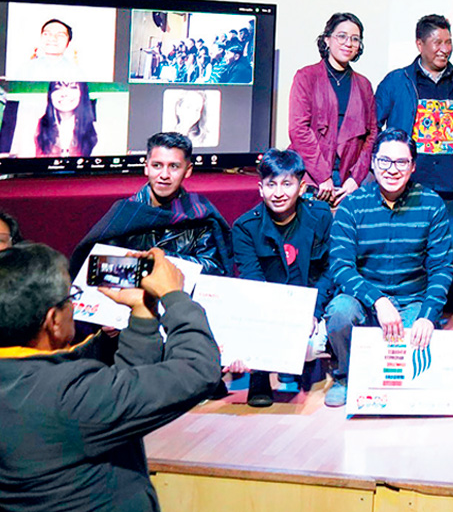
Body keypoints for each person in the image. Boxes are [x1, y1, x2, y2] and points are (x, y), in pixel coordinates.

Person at [0, 245, 221, 512]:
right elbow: (197, 370)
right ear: (53, 321)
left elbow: (123, 397)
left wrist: (143, 311)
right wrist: (174, 296)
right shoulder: (65, 396)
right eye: (71, 298)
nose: (74, 307)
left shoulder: (29, 384)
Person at [323, 129, 453, 408]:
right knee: (339, 313)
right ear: (372, 163)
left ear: (413, 166)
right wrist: (379, 300)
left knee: (407, 376)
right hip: (364, 299)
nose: (392, 170)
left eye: (401, 162)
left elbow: (441, 267)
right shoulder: (352, 206)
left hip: (411, 302)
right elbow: (341, 267)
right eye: (384, 161)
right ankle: (345, 376)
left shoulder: (432, 204)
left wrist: (428, 316)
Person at [230, 149, 333, 408]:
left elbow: (329, 272)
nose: (278, 193)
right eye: (271, 184)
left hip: (311, 305)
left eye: (287, 184)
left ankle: (311, 367)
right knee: (244, 307)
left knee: (316, 339)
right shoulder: (245, 227)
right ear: (260, 188)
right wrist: (279, 317)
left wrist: (313, 311)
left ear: (301, 187)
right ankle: (260, 376)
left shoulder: (320, 216)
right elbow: (254, 281)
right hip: (270, 307)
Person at [375, 14, 453, 250]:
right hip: (407, 187)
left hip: (452, 191)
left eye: (448, 42)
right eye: (437, 42)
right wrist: (382, 166)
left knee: (442, 256)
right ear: (420, 44)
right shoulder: (397, 82)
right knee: (404, 254)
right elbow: (372, 127)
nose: (444, 49)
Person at [72, 132, 233, 276]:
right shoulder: (126, 213)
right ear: (146, 167)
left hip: (182, 298)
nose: (164, 175)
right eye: (157, 165)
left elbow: (214, 269)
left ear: (188, 170)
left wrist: (161, 258)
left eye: (174, 167)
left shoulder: (199, 212)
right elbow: (101, 267)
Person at [288, 12, 379, 207]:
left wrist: (356, 179)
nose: (348, 43)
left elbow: (371, 135)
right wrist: (323, 177)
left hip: (349, 182)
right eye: (342, 36)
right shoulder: (306, 77)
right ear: (327, 39)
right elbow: (298, 130)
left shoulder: (364, 85)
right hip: (311, 177)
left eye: (355, 39)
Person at [34, 81, 97, 157]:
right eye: (57, 88)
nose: (64, 94)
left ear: (82, 93)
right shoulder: (34, 127)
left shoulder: (97, 131)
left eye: (73, 87)